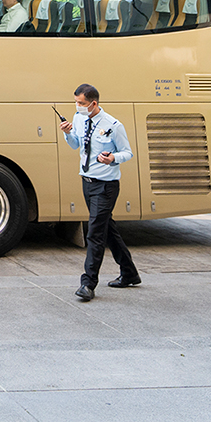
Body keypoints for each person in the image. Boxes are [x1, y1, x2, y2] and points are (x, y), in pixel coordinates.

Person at [61, 83, 139, 301]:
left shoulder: (113, 125)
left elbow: (128, 152)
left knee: (95, 232)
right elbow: (76, 145)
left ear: (94, 103)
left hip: (106, 185)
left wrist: (113, 158)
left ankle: (88, 284)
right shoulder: (78, 118)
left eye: (81, 103)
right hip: (86, 182)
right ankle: (129, 273)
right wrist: (68, 134)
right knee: (106, 227)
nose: (78, 107)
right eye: (76, 102)